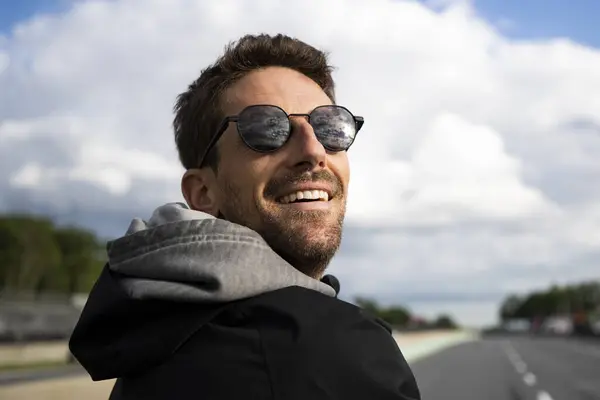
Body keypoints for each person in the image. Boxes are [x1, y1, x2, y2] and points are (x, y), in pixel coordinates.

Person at [69, 33, 421, 400]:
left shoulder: (151, 342)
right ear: (203, 192)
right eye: (267, 128)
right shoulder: (341, 351)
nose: (314, 150)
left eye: (331, 127)